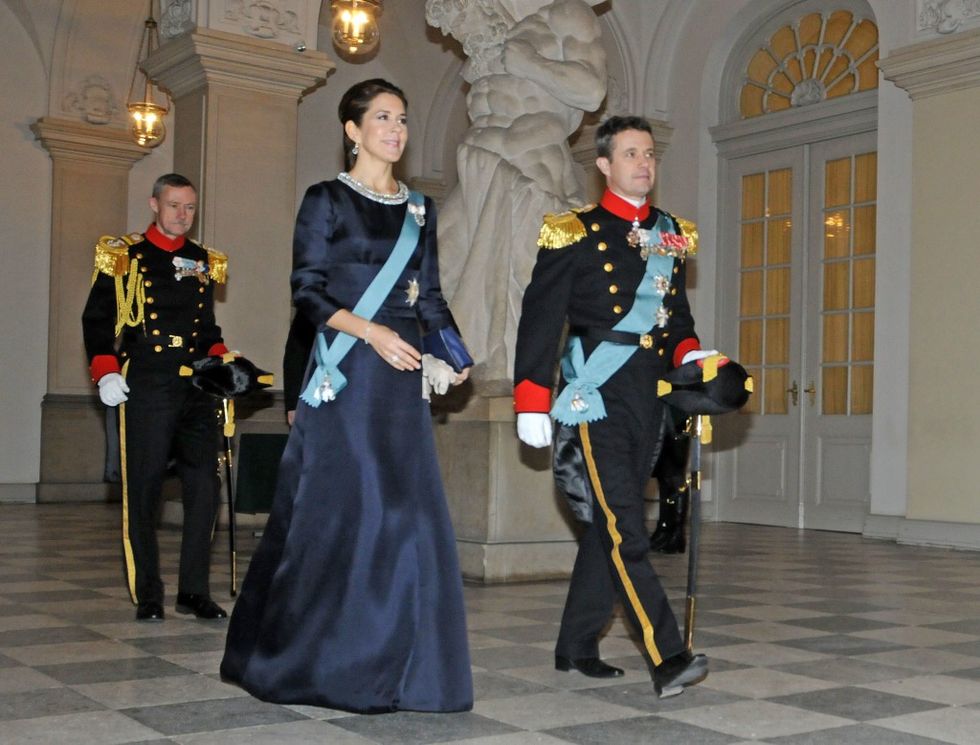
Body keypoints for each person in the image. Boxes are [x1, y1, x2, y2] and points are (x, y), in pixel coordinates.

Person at [221, 79, 474, 714]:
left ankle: (404, 668)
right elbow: (307, 291)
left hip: (400, 377)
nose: (396, 129)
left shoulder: (421, 210)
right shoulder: (326, 200)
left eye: (404, 118)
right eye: (382, 117)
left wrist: (456, 356)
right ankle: (325, 659)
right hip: (346, 370)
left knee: (408, 514)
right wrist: (374, 333)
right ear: (352, 130)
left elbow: (433, 296)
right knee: (354, 509)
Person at [513, 115, 714, 699]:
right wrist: (531, 398)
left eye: (649, 153)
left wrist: (701, 362)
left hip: (646, 399)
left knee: (609, 525)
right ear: (603, 164)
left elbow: (676, 323)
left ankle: (575, 644)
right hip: (591, 397)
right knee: (628, 527)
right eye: (630, 154)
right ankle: (667, 655)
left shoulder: (670, 233)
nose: (644, 164)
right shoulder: (573, 231)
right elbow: (541, 319)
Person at [82, 172, 230, 623]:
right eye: (174, 206)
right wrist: (105, 370)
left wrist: (224, 361)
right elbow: (97, 318)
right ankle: (149, 594)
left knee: (205, 488)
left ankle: (193, 591)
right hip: (146, 382)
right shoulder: (123, 255)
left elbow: (207, 329)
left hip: (196, 387)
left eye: (190, 207)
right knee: (143, 490)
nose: (182, 215)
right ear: (154, 204)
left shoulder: (203, 260)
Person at [649, 407, 691, 554]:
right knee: (666, 474)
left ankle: (675, 532)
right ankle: (666, 528)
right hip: (665, 412)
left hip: (676, 413)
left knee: (673, 475)